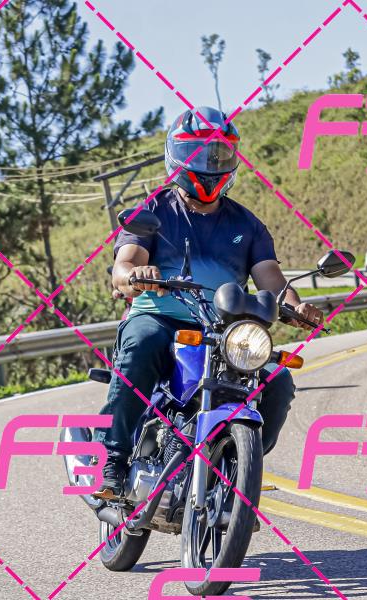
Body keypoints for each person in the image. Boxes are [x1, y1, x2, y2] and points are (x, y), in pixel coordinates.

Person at [93, 106, 324, 499]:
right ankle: (112, 460)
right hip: (160, 318)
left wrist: (295, 306)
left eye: (220, 153)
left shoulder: (247, 225)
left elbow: (273, 280)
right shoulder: (153, 210)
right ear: (177, 154)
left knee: (278, 380)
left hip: (224, 330)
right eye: (199, 153)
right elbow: (124, 264)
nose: (210, 164)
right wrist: (134, 275)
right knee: (141, 346)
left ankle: (236, 464)